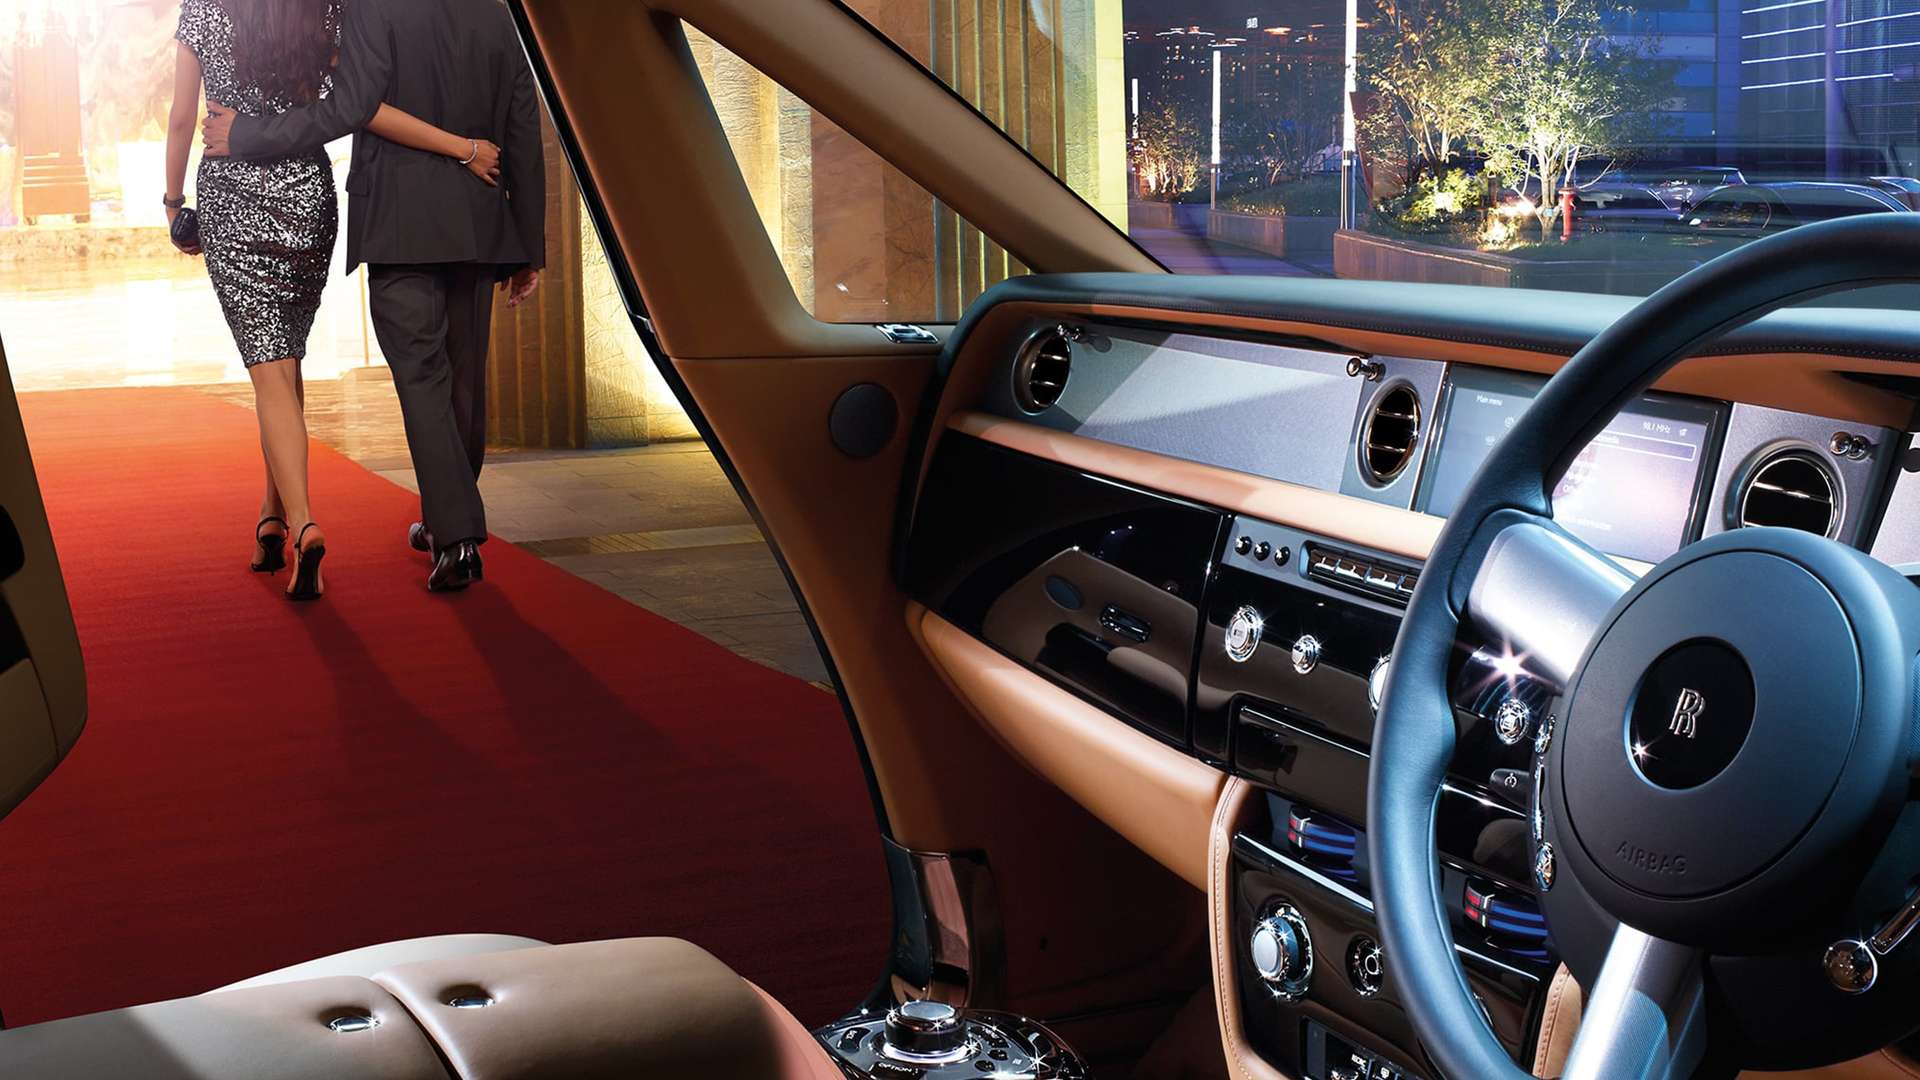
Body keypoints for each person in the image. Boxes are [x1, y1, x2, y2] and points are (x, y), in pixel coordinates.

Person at [202, 0, 547, 594]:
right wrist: (531, 244)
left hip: (399, 220)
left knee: (423, 379)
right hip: (480, 219)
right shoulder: (495, 12)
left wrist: (247, 135)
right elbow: (523, 120)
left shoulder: (372, 7)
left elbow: (351, 106)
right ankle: (449, 520)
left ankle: (457, 535)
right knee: (464, 380)